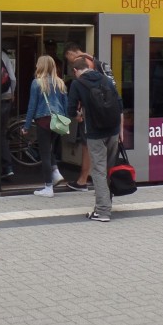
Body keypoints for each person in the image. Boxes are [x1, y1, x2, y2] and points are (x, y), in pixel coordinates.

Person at [67, 61, 122, 221]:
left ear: (76, 70)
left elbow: (70, 109)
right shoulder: (105, 79)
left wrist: (79, 116)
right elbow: (119, 103)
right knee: (109, 169)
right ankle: (106, 202)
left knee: (98, 170)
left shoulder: (77, 84)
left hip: (95, 132)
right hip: (113, 130)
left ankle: (103, 211)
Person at [22, 54, 68, 197]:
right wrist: (65, 122)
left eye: (37, 64)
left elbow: (32, 106)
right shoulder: (60, 83)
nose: (36, 66)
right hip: (58, 121)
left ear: (41, 66)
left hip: (43, 120)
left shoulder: (37, 83)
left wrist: (27, 126)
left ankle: (48, 187)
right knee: (49, 149)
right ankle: (56, 172)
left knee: (44, 154)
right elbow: (65, 105)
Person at [63, 43, 97, 190]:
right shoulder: (93, 60)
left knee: (86, 146)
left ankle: (83, 180)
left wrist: (77, 112)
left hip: (88, 114)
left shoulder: (84, 64)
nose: (71, 63)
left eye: (69, 58)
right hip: (96, 113)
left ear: (72, 53)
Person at [0, 48, 17, 180]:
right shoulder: (4, 55)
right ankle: (6, 167)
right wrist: (12, 93)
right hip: (6, 99)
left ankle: (7, 166)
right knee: (1, 133)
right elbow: (12, 78)